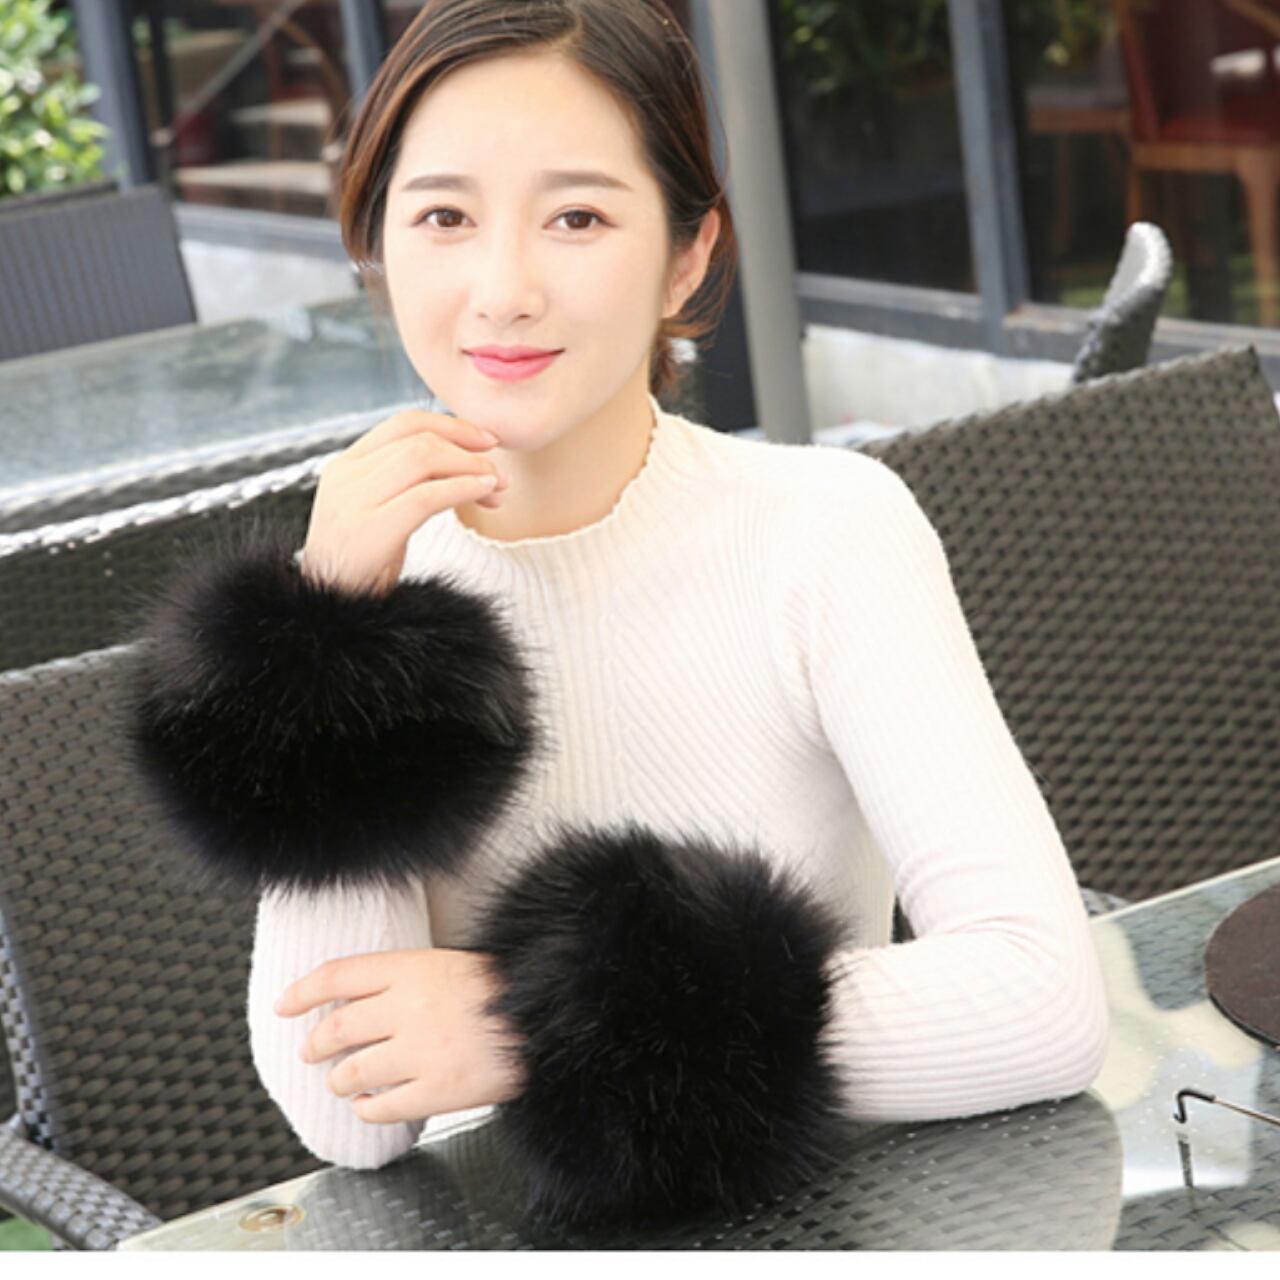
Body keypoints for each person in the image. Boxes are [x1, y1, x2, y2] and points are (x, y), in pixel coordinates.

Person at [126, 0, 1109, 1218]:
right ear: (377, 243)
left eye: (577, 217)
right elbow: (345, 1113)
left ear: (686, 256)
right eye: (442, 216)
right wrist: (332, 642)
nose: (502, 291)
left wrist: (542, 1022)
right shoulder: (366, 581)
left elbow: (1040, 1002)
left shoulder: (826, 531)